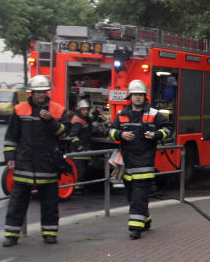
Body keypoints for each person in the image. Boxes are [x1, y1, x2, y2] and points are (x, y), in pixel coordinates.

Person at [2, 75, 68, 246]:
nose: (40, 95)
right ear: (31, 93)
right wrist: (9, 157)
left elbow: (65, 134)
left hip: (47, 164)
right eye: (37, 92)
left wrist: (51, 121)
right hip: (24, 164)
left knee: (49, 203)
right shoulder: (19, 109)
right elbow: (11, 137)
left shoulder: (58, 110)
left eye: (43, 92)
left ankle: (49, 233)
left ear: (48, 92)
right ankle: (11, 235)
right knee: (17, 202)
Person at [108, 80, 172, 239]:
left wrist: (156, 135)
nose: (138, 97)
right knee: (132, 196)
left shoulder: (154, 114)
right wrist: (120, 134)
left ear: (145, 97)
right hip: (127, 163)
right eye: (135, 95)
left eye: (140, 95)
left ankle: (135, 228)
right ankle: (146, 220)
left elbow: (169, 128)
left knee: (138, 196)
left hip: (145, 163)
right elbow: (110, 130)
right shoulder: (122, 115)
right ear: (130, 96)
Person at [67, 99, 93, 190]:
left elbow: (91, 118)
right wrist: (79, 146)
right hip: (78, 152)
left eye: (87, 109)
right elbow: (73, 135)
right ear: (79, 110)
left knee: (83, 172)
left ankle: (80, 188)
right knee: (79, 172)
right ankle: (76, 189)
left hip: (84, 151)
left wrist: (97, 112)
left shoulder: (85, 118)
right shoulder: (77, 121)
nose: (86, 111)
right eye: (83, 110)